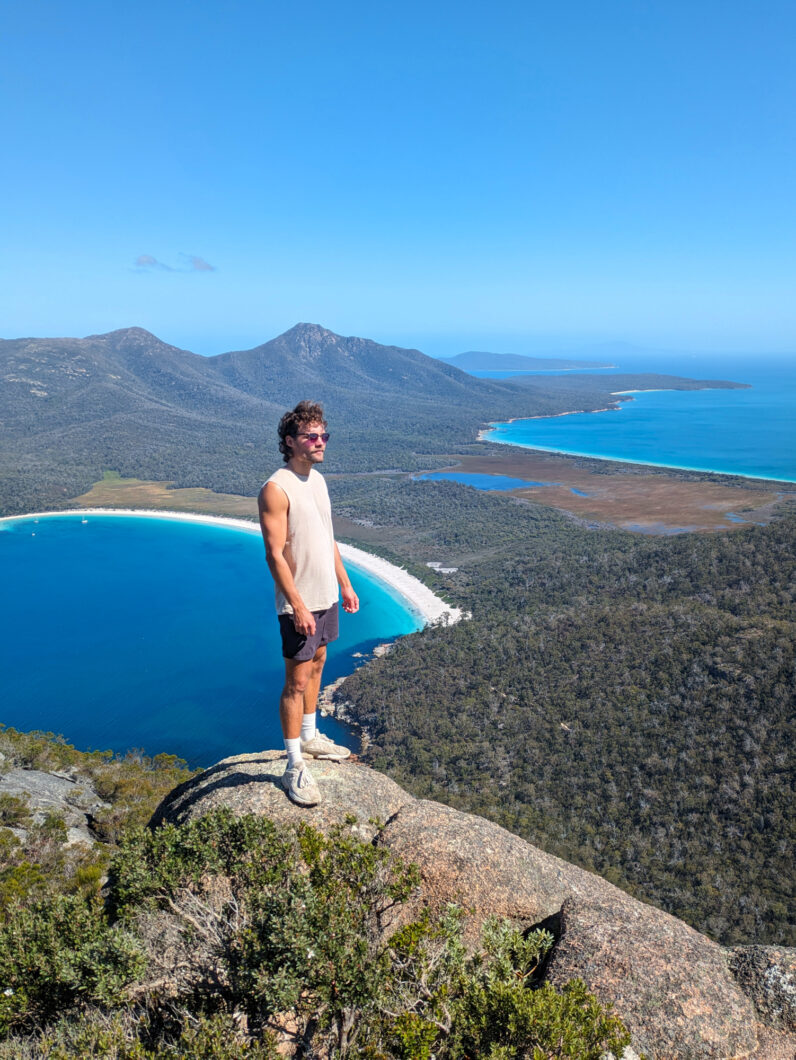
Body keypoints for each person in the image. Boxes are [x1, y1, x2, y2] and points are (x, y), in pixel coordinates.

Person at [258, 400, 359, 806]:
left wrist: (345, 583)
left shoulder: (317, 480)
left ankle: (311, 736)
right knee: (295, 682)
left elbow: (326, 536)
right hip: (299, 602)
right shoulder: (276, 488)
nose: (320, 443)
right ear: (290, 442)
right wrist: (297, 605)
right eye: (311, 437)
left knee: (318, 664)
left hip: (327, 595)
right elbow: (274, 554)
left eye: (323, 435)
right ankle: (294, 765)